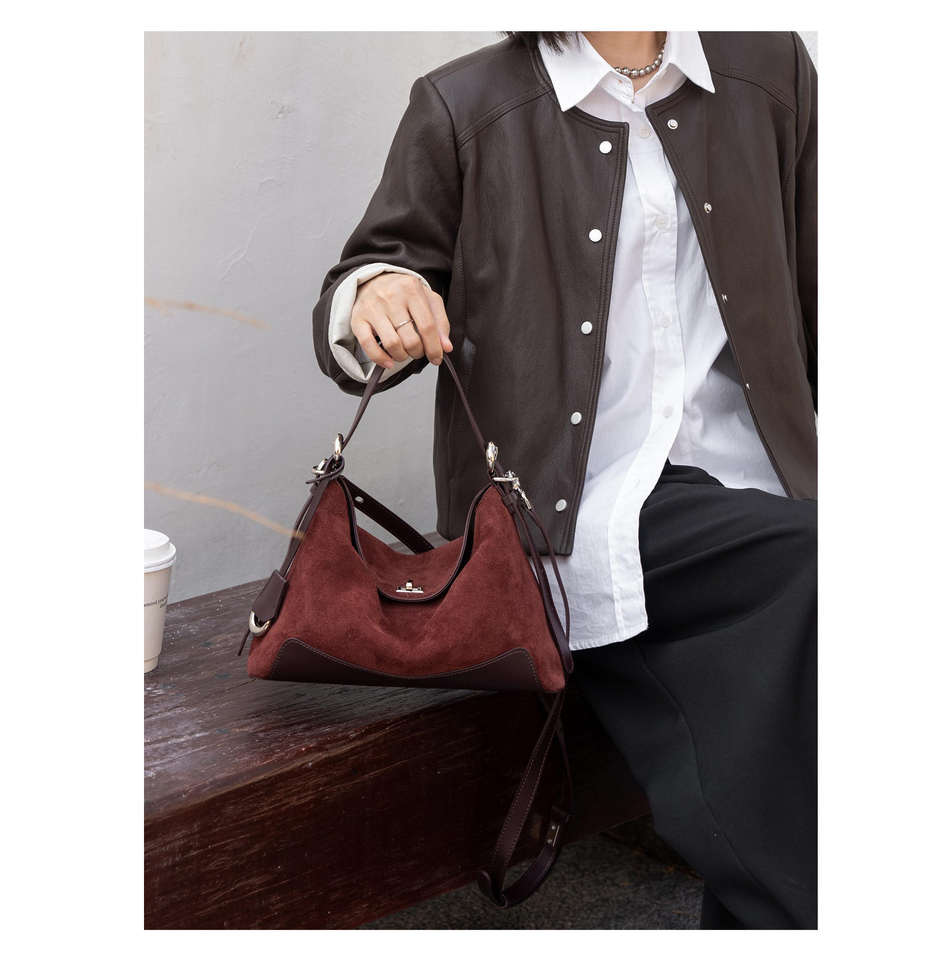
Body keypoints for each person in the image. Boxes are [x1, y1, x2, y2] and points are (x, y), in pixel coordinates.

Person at [312, 30, 817, 929]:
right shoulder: (465, 104)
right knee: (810, 569)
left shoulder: (769, 68)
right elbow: (365, 279)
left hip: (767, 486)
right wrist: (377, 295)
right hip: (575, 503)